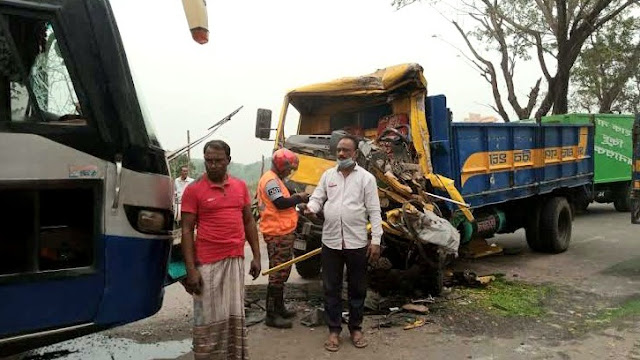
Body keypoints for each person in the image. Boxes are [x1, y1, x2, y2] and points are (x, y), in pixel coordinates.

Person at [180, 140, 261, 360]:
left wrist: (257, 256)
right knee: (207, 317)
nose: (213, 165)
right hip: (207, 263)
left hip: (235, 260)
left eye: (218, 161)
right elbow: (186, 230)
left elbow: (249, 222)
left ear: (228, 161)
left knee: (233, 314)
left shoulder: (240, 187)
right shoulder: (193, 190)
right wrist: (191, 270)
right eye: (208, 161)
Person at [301, 135, 383, 352]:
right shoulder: (328, 176)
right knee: (331, 288)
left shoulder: (366, 178)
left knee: (357, 288)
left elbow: (374, 211)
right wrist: (312, 207)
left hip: (356, 242)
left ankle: (356, 328)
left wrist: (376, 240)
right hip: (331, 241)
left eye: (346, 150)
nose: (341, 154)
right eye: (338, 150)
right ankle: (334, 331)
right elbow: (317, 198)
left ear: (355, 153)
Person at [256, 148, 310, 328]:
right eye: (289, 168)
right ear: (281, 165)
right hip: (276, 233)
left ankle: (279, 308)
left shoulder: (276, 179)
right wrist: (298, 198)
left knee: (283, 271)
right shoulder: (271, 180)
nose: (289, 172)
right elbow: (280, 203)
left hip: (282, 232)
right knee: (277, 274)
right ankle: (272, 315)